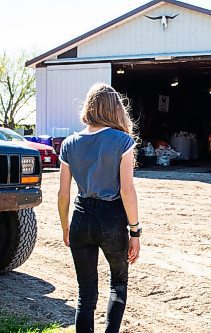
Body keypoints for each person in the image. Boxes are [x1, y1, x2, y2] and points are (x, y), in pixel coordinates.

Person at [58, 83, 141, 333]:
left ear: (89, 107)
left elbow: (63, 193)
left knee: (85, 293)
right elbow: (127, 190)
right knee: (118, 284)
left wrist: (65, 227)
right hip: (112, 218)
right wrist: (135, 232)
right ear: (116, 109)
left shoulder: (69, 143)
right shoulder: (122, 141)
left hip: (80, 217)